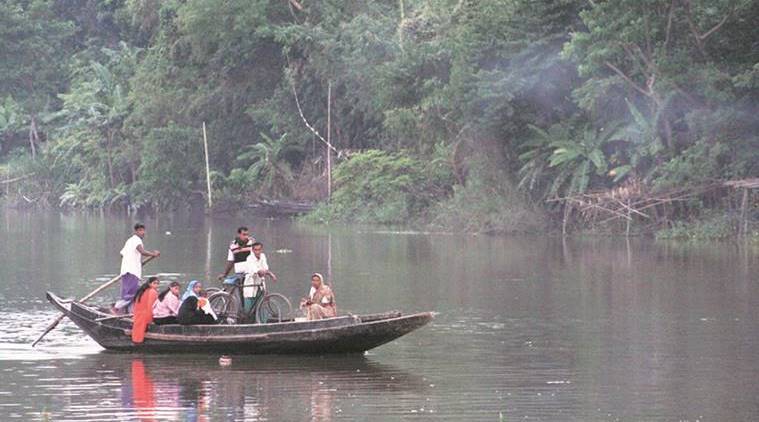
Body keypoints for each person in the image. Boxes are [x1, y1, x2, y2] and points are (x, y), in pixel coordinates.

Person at [116, 223, 160, 312]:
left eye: (143, 230)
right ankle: (116, 308)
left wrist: (136, 262)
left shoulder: (129, 241)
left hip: (126, 271)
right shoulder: (136, 240)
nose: (143, 232)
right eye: (140, 230)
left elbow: (122, 255)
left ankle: (126, 311)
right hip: (132, 272)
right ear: (135, 231)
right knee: (131, 294)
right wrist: (153, 254)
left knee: (126, 293)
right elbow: (142, 251)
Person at [241, 242, 277, 312]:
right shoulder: (249, 259)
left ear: (261, 250)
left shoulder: (263, 256)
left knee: (262, 305)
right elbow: (258, 271)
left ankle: (262, 321)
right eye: (255, 250)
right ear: (253, 250)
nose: (257, 252)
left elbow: (265, 267)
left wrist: (268, 273)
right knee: (249, 308)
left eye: (259, 249)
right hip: (250, 284)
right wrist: (269, 273)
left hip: (260, 284)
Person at [131, 277, 160, 343]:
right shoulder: (152, 291)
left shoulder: (141, 290)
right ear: (149, 283)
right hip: (145, 316)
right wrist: (150, 320)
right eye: (154, 283)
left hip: (137, 315)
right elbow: (151, 307)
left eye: (157, 284)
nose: (156, 285)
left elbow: (135, 305)